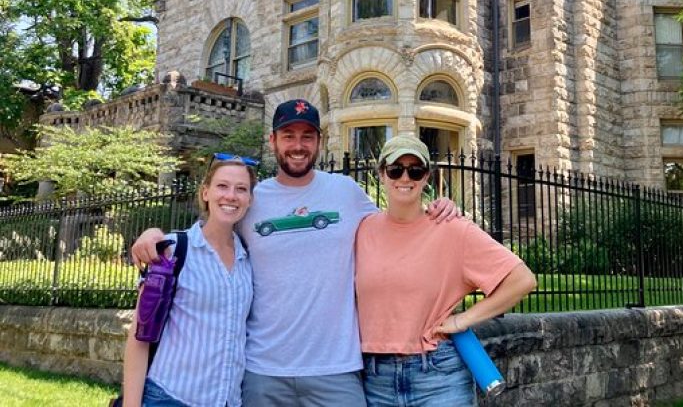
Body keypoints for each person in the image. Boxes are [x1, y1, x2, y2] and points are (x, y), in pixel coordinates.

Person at [131, 99, 458, 407]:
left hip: (336, 367)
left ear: (319, 141)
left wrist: (434, 208)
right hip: (263, 370)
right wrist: (155, 234)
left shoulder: (345, 192)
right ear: (273, 140)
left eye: (307, 136)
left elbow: (394, 228)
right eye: (288, 135)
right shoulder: (251, 197)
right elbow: (211, 231)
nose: (298, 145)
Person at [356, 134, 537, 406]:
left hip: (438, 376)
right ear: (382, 173)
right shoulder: (362, 229)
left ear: (426, 176)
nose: (405, 178)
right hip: (375, 378)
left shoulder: (452, 229)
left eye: (415, 170)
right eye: (395, 169)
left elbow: (521, 279)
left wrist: (461, 321)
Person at [123, 155, 256, 407]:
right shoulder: (173, 251)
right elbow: (140, 335)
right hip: (171, 397)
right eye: (222, 186)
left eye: (241, 189)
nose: (231, 196)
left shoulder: (248, 258)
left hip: (227, 401)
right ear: (205, 193)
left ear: (249, 199)